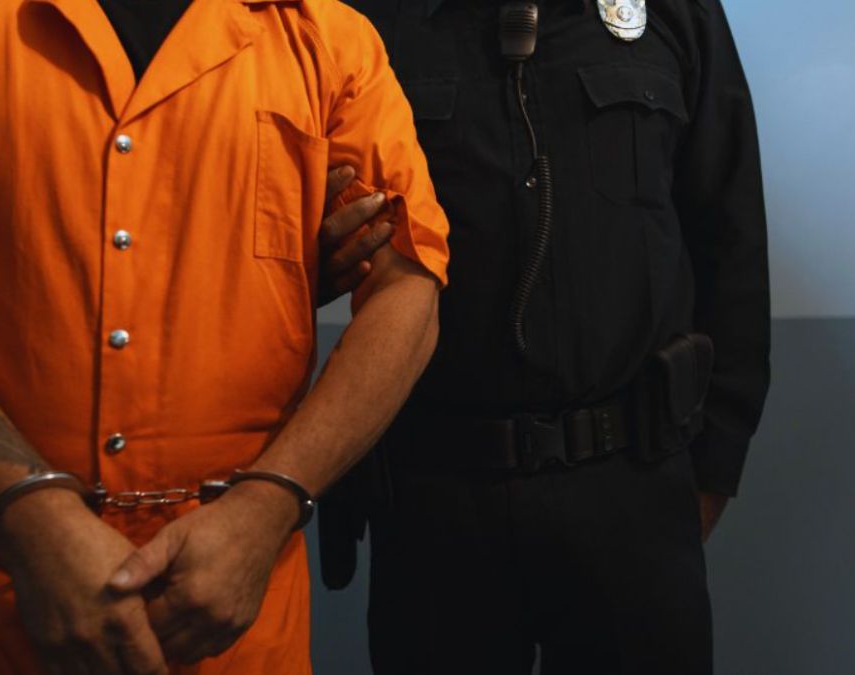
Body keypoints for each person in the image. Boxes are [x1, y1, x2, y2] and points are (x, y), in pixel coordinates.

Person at [0, 0, 449, 672]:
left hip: (231, 622)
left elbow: (409, 290)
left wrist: (267, 509)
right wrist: (30, 513)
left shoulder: (327, 37)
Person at [317, 0, 771, 673]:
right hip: (437, 504)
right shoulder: (361, 24)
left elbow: (730, 243)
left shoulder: (677, 12)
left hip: (633, 493)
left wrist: (709, 473)